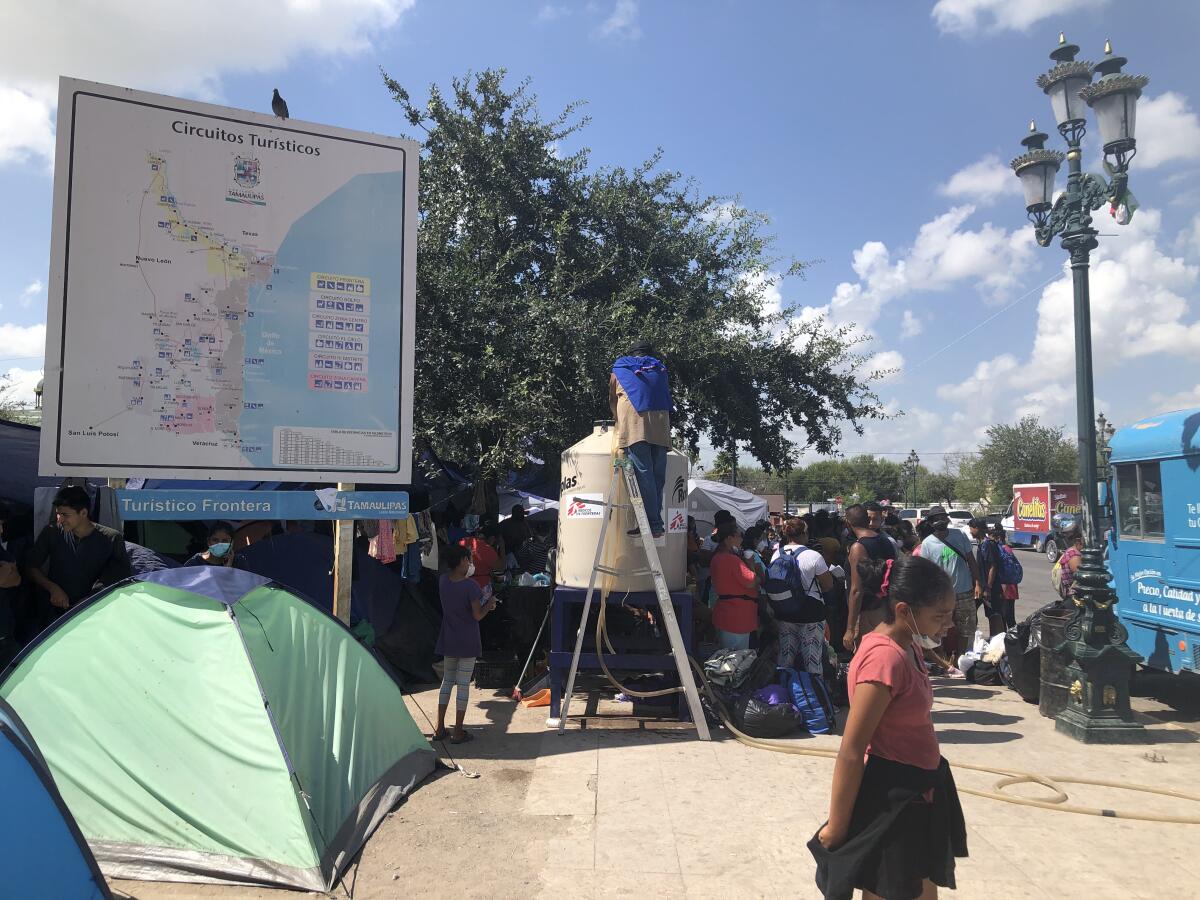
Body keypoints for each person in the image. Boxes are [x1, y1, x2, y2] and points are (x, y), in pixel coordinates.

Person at [812, 555, 967, 899]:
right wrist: (837, 826)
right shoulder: (884, 659)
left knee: (922, 890)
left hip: (922, 792)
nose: (948, 624)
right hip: (895, 802)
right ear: (902, 610)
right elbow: (852, 750)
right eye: (939, 616)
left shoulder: (908, 645)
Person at [26, 485, 130, 620]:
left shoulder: (111, 538)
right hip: (55, 616)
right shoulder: (52, 532)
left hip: (96, 615)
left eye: (65, 515)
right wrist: (53, 588)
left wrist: (89, 601)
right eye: (58, 514)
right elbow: (30, 567)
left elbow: (118, 580)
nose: (60, 519)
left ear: (83, 513)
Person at [432, 544, 499, 744]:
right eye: (469, 560)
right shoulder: (470, 586)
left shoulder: (443, 581)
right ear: (461, 561)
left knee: (446, 682)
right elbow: (477, 615)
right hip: (467, 639)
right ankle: (458, 731)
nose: (470, 564)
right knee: (463, 685)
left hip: (448, 638)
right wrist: (490, 604)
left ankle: (439, 727)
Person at [610, 340, 672, 538]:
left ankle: (652, 523)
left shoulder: (620, 368)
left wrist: (616, 418)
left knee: (644, 475)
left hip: (634, 424)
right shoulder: (659, 368)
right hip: (660, 426)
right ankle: (656, 522)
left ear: (631, 354)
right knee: (657, 477)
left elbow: (612, 398)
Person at [773, 518, 835, 674]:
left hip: (784, 610)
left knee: (785, 657)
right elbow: (828, 585)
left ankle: (783, 691)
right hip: (811, 612)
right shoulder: (813, 556)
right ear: (804, 534)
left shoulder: (776, 554)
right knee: (812, 659)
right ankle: (814, 693)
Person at [919, 508, 981, 659]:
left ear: (947, 520)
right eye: (936, 518)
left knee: (966, 627)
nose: (940, 520)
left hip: (964, 591)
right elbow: (927, 573)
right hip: (942, 595)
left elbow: (971, 561)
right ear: (931, 522)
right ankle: (945, 658)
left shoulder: (959, 535)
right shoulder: (927, 544)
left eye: (942, 517)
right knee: (940, 628)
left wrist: (978, 584)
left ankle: (961, 657)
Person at [843, 504, 898, 652]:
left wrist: (850, 628)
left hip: (866, 611)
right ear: (867, 520)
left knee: (865, 656)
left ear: (847, 523)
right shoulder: (885, 541)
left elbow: (856, 590)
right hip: (885, 607)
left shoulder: (858, 548)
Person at [709, 522, 761, 650]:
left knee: (728, 659)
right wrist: (751, 565)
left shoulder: (717, 557)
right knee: (736, 660)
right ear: (728, 538)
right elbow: (752, 581)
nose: (742, 539)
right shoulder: (732, 560)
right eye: (739, 535)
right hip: (737, 617)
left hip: (727, 613)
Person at [969, 518, 1005, 638]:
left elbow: (992, 567)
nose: (970, 531)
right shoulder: (981, 544)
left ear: (977, 529)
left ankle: (997, 640)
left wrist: (988, 587)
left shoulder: (988, 545)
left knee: (994, 615)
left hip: (990, 588)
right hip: (982, 586)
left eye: (971, 528)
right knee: (973, 610)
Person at [460, 524, 505, 590]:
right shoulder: (488, 550)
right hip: (479, 586)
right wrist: (502, 547)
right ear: (492, 538)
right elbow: (501, 567)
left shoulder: (465, 540)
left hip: (460, 581)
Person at [992, 525, 1019, 627]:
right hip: (1011, 586)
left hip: (1004, 587)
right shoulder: (1007, 548)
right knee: (1010, 616)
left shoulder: (1000, 550)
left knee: (1005, 616)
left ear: (998, 538)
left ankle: (1009, 639)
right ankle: (1013, 639)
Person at [1056, 525, 1085, 601]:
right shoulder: (1074, 556)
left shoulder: (1072, 551)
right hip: (1075, 598)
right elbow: (1083, 579)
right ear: (1079, 540)